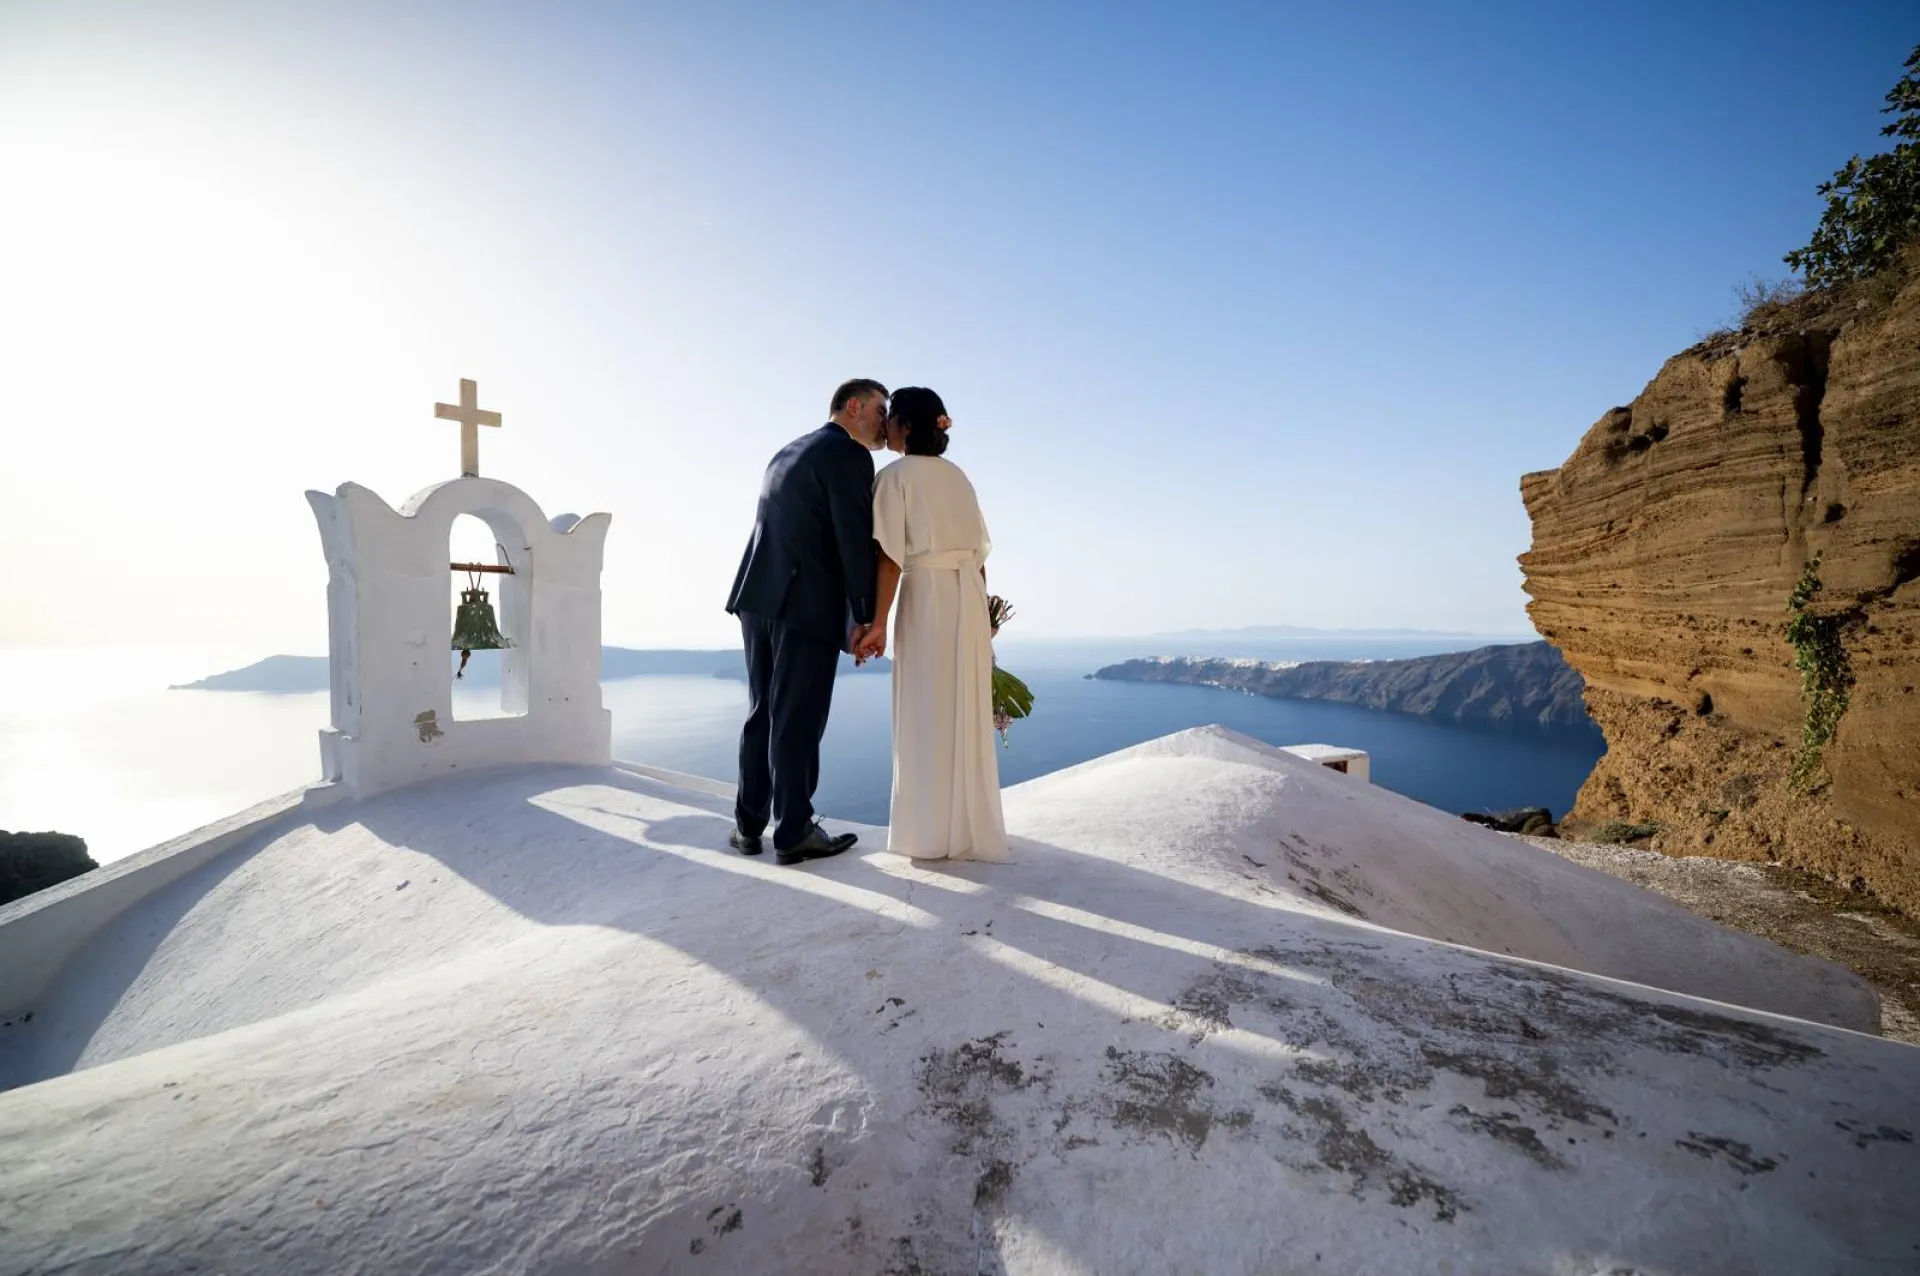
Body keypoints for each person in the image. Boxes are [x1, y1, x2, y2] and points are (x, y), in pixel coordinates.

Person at [725, 379, 887, 866]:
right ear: (854, 407)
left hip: (758, 596)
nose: (885, 422)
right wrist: (865, 614)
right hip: (805, 604)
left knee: (762, 711)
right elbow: (853, 539)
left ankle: (748, 826)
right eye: (881, 410)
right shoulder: (848, 455)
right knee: (797, 717)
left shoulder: (787, 452)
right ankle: (794, 830)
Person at [856, 388, 1009, 862]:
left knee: (925, 709)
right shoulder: (958, 476)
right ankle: (965, 829)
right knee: (963, 708)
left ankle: (926, 834)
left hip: (926, 597)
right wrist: (984, 617)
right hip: (968, 595)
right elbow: (978, 557)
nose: (885, 425)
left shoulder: (894, 477)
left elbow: (889, 558)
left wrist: (878, 622)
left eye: (890, 418)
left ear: (905, 425)